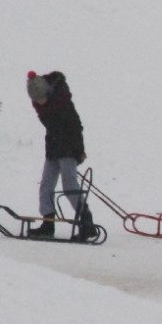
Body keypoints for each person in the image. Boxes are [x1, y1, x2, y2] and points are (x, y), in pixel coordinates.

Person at [25, 70, 96, 241]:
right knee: (46, 186)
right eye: (36, 100)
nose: (39, 102)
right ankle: (48, 224)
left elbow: (76, 127)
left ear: (47, 92)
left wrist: (79, 150)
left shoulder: (63, 103)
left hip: (69, 149)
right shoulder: (42, 106)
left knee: (69, 185)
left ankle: (87, 223)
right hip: (53, 149)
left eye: (41, 98)